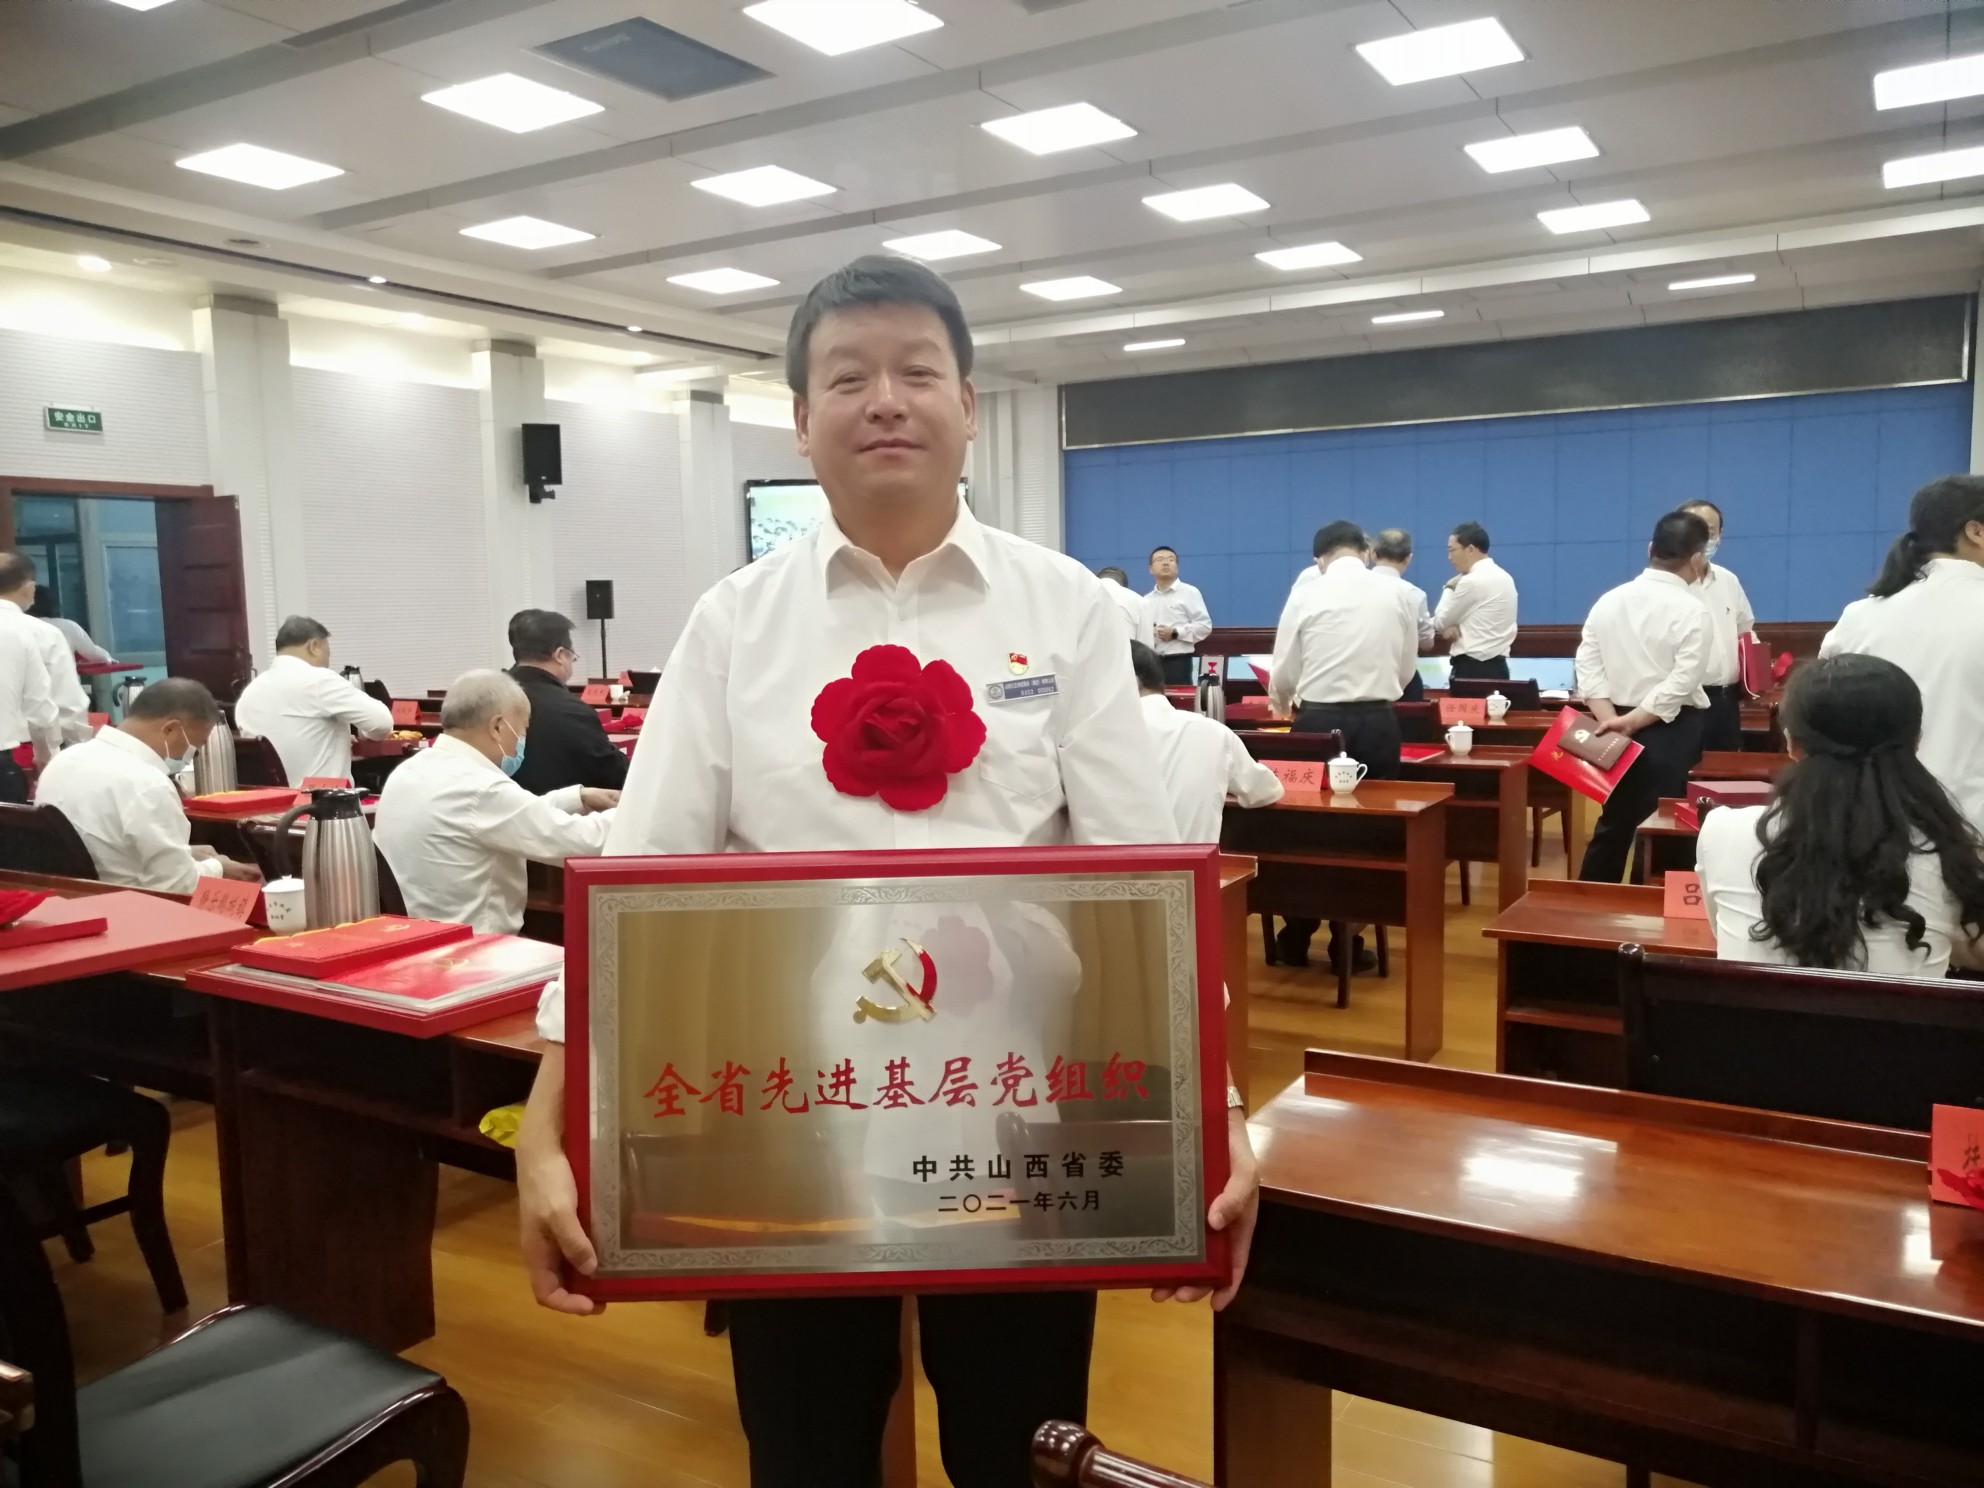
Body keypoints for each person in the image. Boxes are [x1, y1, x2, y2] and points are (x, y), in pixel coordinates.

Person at [515, 254, 1258, 1488]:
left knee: (1019, 1447)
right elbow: (638, 882)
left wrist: (1216, 1116)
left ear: (968, 404)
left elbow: (1144, 882)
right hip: (786, 1119)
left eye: (917, 371)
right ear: (802, 418)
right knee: (804, 1448)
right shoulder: (734, 623)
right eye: (848, 377)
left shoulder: (1066, 609)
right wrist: (550, 1125)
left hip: (1019, 1107)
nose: (885, 401)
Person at [1697, 655, 1984, 978]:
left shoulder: (1722, 832)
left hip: (1754, 1012)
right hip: (1901, 1014)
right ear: (1916, 741)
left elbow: (1723, 931)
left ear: (1791, 743)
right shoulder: (1947, 850)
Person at [1267, 520, 1418, 968]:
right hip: (1378, 722)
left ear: (1319, 558)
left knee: (1305, 833)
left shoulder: (1307, 593)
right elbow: (1406, 668)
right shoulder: (1398, 594)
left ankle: (1295, 936)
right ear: (1365, 551)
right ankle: (1348, 943)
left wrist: (1282, 704)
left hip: (1317, 724)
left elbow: (1284, 669)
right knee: (1368, 836)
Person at [374, 670, 617, 934]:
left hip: (414, 937)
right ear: (498, 727)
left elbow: (508, 816)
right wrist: (633, 808)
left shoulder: (408, 771)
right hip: (476, 947)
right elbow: (586, 843)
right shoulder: (481, 788)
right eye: (523, 730)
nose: (522, 741)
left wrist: (577, 798)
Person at [1820, 475, 1984, 833]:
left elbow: (1821, 720)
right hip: (1971, 823)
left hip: (1873, 823)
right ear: (1976, 532)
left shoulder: (1860, 615)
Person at [1574, 510, 1713, 883]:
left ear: (1651, 549)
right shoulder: (1694, 611)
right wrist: (1632, 721)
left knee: (1612, 821)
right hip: (1669, 730)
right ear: (1696, 559)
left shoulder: (1608, 601)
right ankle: (1646, 910)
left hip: (1609, 726)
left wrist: (1609, 719)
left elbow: (1587, 664)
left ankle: (1589, 905)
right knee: (1662, 827)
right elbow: (1683, 681)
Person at [36, 677, 260, 891]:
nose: (189, 756)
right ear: (170, 729)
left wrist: (185, 854)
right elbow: (177, 886)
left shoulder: (64, 761)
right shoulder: (148, 785)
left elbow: (105, 848)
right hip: (132, 904)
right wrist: (219, 866)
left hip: (68, 895)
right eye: (195, 746)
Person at [1131, 639, 1281, 840]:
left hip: (1110, 860)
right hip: (1195, 861)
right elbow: (1265, 791)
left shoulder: (1099, 736)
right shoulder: (1215, 732)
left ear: (1132, 682)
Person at [234, 616, 395, 786]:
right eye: (328, 655)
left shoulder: (250, 693)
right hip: (320, 800)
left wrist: (339, 740)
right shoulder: (319, 680)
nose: (327, 662)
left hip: (268, 801)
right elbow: (382, 723)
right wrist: (366, 735)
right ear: (313, 646)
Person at [504, 608, 630, 796]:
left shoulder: (487, 697)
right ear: (560, 655)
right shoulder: (572, 711)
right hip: (563, 809)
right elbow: (614, 774)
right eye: (572, 656)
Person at [1678, 500, 1757, 753]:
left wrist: (1759, 673)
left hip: (1725, 701)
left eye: (1710, 531)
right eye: (1694, 529)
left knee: (1725, 769)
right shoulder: (1666, 585)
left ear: (1720, 535)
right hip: (1682, 702)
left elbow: (1745, 632)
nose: (1702, 539)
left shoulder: (1728, 580)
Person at [0, 553, 86, 751]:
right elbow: (67, 705)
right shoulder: (41, 633)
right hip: (23, 749)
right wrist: (72, 751)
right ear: (30, 587)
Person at [1432, 521, 1518, 680]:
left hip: (1472, 670)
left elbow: (1440, 622)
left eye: (1452, 550)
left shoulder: (1471, 581)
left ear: (1470, 549)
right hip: (1500, 669)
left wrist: (1449, 587)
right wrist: (1453, 624)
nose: (1449, 557)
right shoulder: (1506, 577)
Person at [1370, 528, 1434, 702]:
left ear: (1373, 554)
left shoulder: (1354, 588)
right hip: (1403, 685)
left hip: (1359, 682)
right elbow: (1427, 643)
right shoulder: (1414, 594)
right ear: (1408, 558)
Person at [1142, 545, 1212, 687]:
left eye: (1170, 559)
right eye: (1159, 560)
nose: (1165, 563)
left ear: (1177, 567)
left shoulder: (1190, 593)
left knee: (1179, 699)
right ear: (1150, 569)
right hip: (1152, 662)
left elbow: (1204, 626)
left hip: (1179, 662)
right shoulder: (1146, 600)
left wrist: (1175, 633)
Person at [27, 592, 112, 664]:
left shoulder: (22, 627)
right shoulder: (68, 626)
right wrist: (107, 657)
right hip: (63, 677)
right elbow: (94, 654)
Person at [1096, 566, 1153, 648]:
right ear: (1124, 585)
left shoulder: (1081, 597)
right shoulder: (1140, 601)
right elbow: (1146, 647)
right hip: (1126, 654)